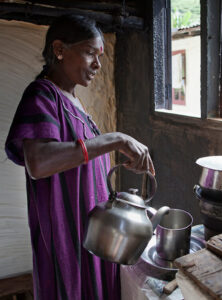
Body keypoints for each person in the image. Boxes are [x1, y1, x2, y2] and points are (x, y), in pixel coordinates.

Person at [5, 14, 155, 300]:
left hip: (92, 233)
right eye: (89, 53)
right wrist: (116, 139)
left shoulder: (73, 101)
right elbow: (39, 162)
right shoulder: (42, 95)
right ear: (59, 50)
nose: (98, 65)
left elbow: (80, 161)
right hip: (67, 233)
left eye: (99, 56)